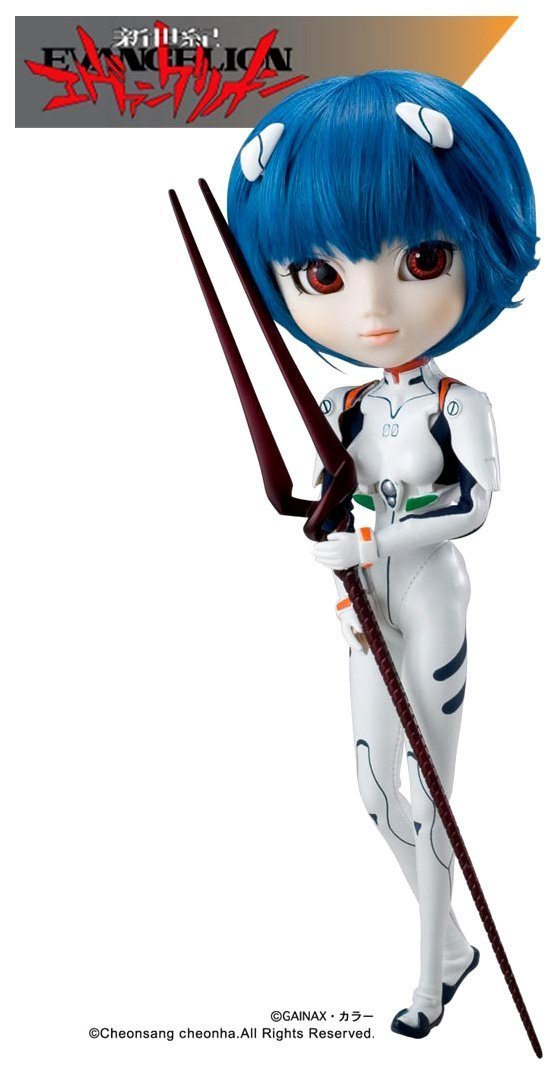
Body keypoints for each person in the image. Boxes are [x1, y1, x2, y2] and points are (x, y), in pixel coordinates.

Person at [225, 69, 538, 1038]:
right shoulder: (341, 405)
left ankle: (428, 980)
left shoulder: (459, 404)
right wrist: (325, 527)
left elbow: (474, 506)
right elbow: (324, 500)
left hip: (432, 601)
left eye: (422, 258)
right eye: (323, 276)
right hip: (363, 607)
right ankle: (451, 943)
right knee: (371, 792)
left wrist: (371, 533)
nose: (373, 308)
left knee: (434, 797)